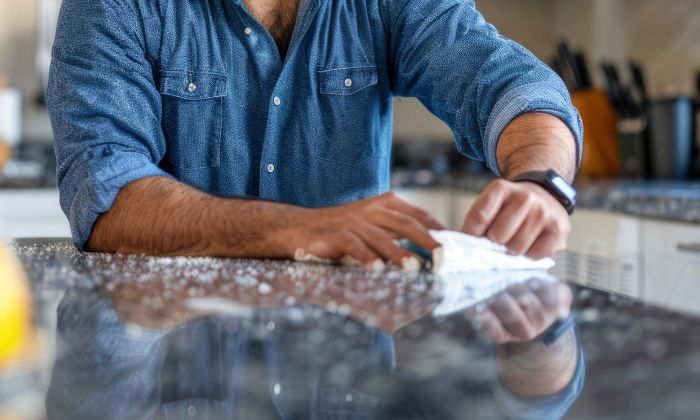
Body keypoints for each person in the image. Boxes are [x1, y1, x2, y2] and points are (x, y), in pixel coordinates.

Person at [48, 0, 582, 265]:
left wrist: (541, 181)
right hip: (176, 355)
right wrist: (292, 230)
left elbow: (511, 83)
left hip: (350, 372)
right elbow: (106, 192)